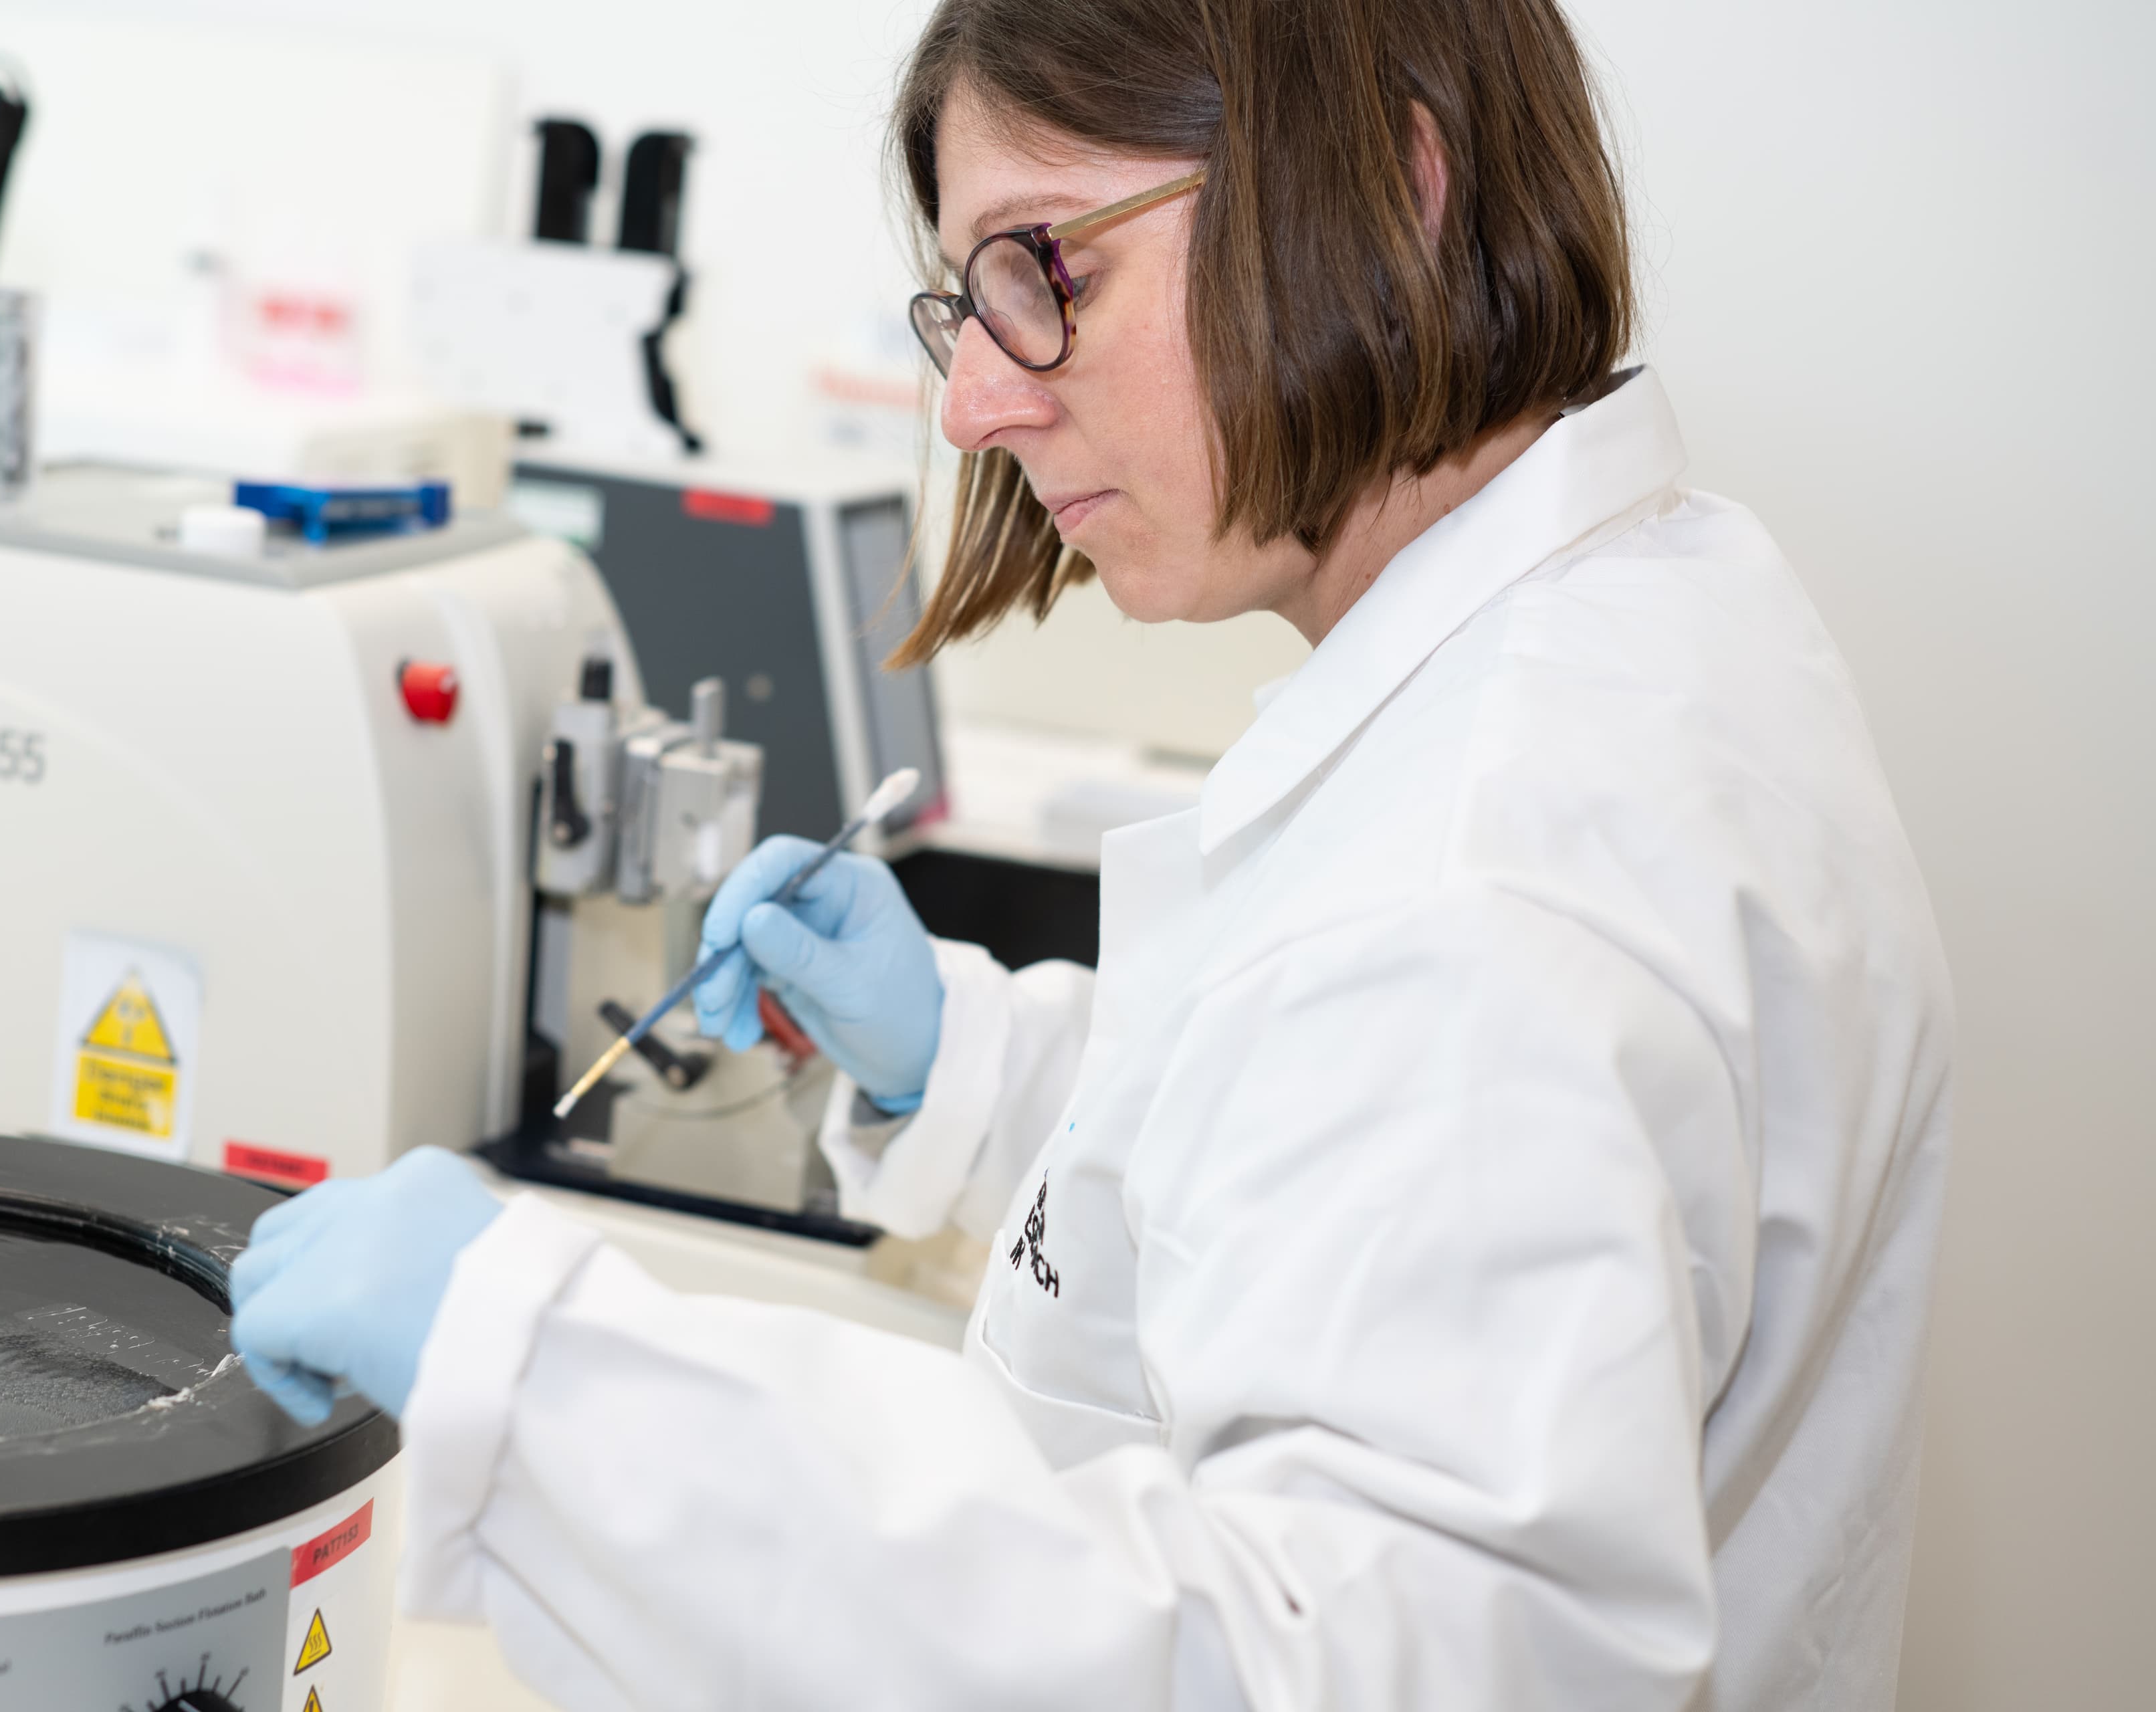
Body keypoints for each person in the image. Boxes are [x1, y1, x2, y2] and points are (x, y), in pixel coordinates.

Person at [227, 0, 1954, 1704]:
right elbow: (1326, 1186)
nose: (972, 404)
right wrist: (971, 1066)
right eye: (964, 309)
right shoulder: (1653, 620)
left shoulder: (1482, 894)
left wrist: (541, 1386)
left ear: (1394, 192)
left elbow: (1322, 1667)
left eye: (1045, 268)